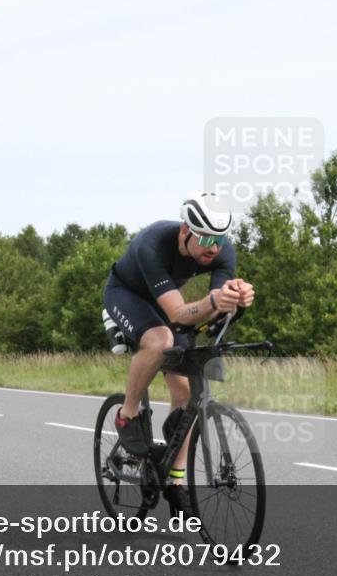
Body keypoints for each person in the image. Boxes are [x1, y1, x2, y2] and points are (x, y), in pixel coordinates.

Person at [103, 192, 254, 513]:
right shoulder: (153, 244)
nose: (214, 247)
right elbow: (177, 315)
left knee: (185, 388)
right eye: (205, 238)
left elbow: (212, 308)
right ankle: (127, 415)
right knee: (159, 341)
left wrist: (235, 302)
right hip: (126, 293)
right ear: (186, 231)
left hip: (167, 303)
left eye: (220, 238)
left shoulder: (222, 251)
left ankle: (175, 479)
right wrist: (214, 301)